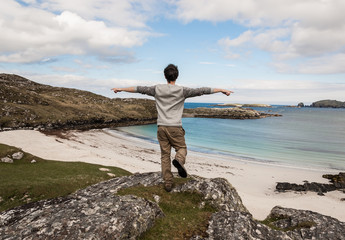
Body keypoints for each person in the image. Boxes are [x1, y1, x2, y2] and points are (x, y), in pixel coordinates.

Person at [112, 64, 233, 192]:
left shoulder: (156, 89)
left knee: (165, 155)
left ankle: (168, 183)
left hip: (161, 127)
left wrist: (121, 89)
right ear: (177, 76)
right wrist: (221, 90)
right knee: (181, 148)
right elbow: (201, 90)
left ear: (165, 76)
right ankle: (179, 160)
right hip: (175, 127)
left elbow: (138, 89)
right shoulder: (182, 91)